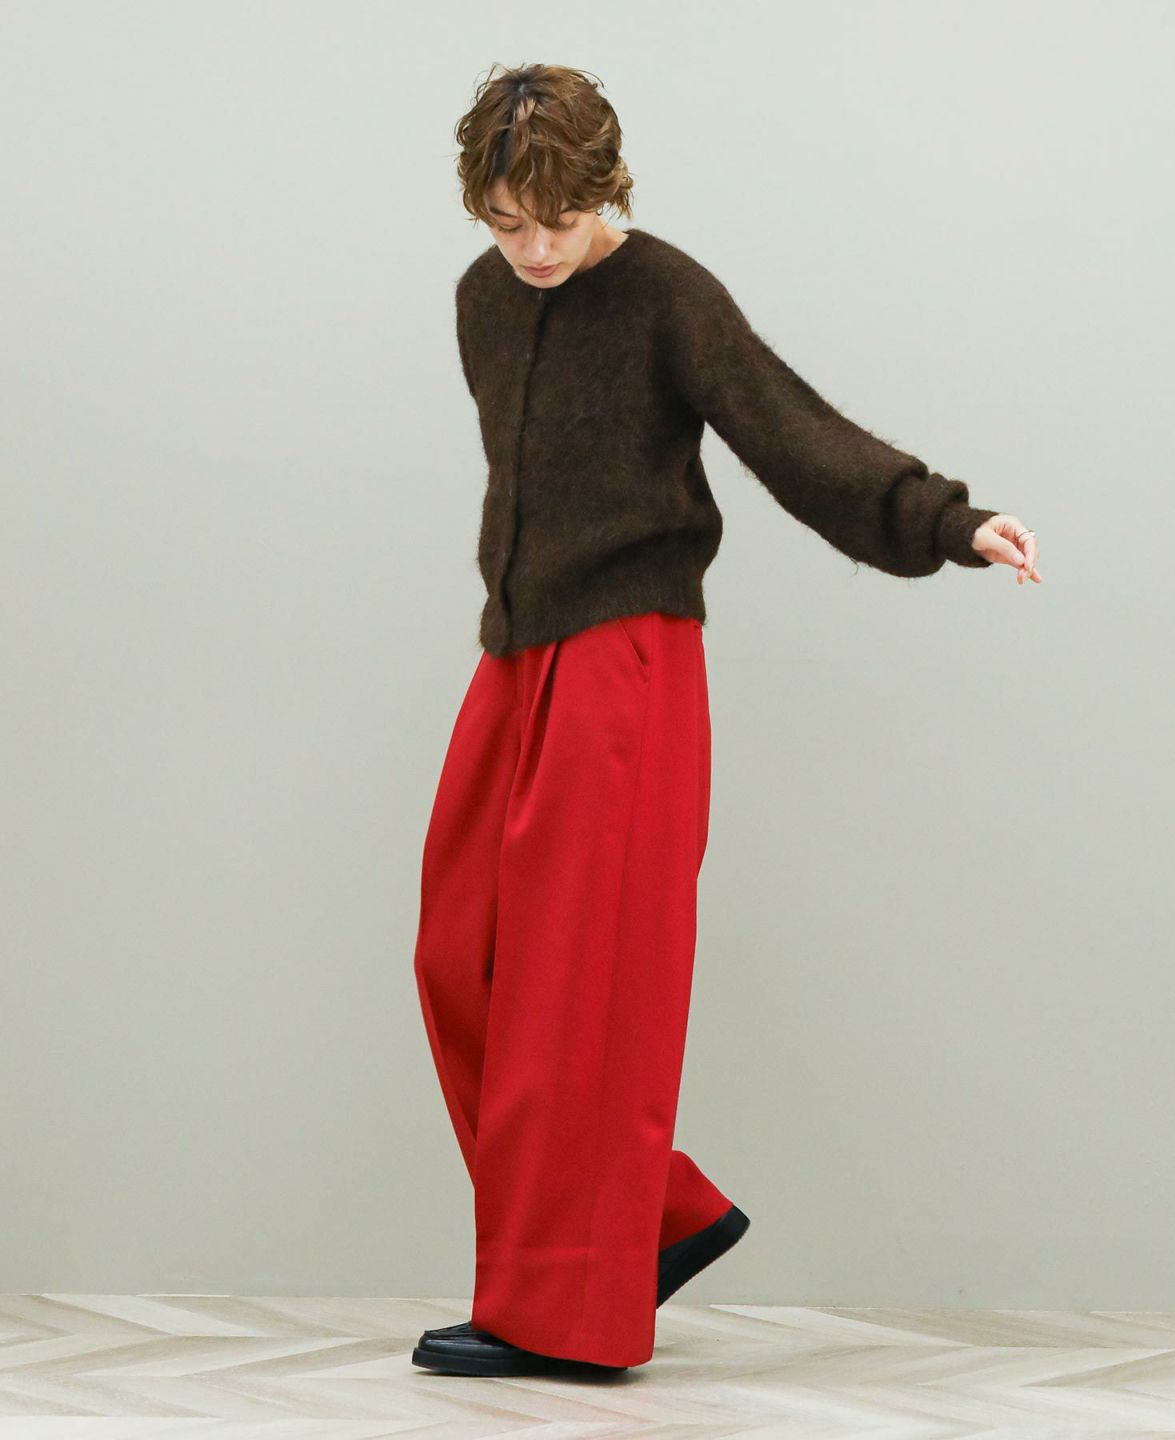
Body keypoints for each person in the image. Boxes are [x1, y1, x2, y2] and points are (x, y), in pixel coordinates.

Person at [411, 62, 1041, 1382]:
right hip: (516, 655)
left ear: (605, 190)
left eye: (557, 220)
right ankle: (647, 1219)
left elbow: (788, 431)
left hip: (628, 659)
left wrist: (946, 520)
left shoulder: (667, 298)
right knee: (458, 958)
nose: (534, 249)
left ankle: (569, 1314)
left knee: (579, 992)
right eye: (507, 223)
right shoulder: (482, 300)